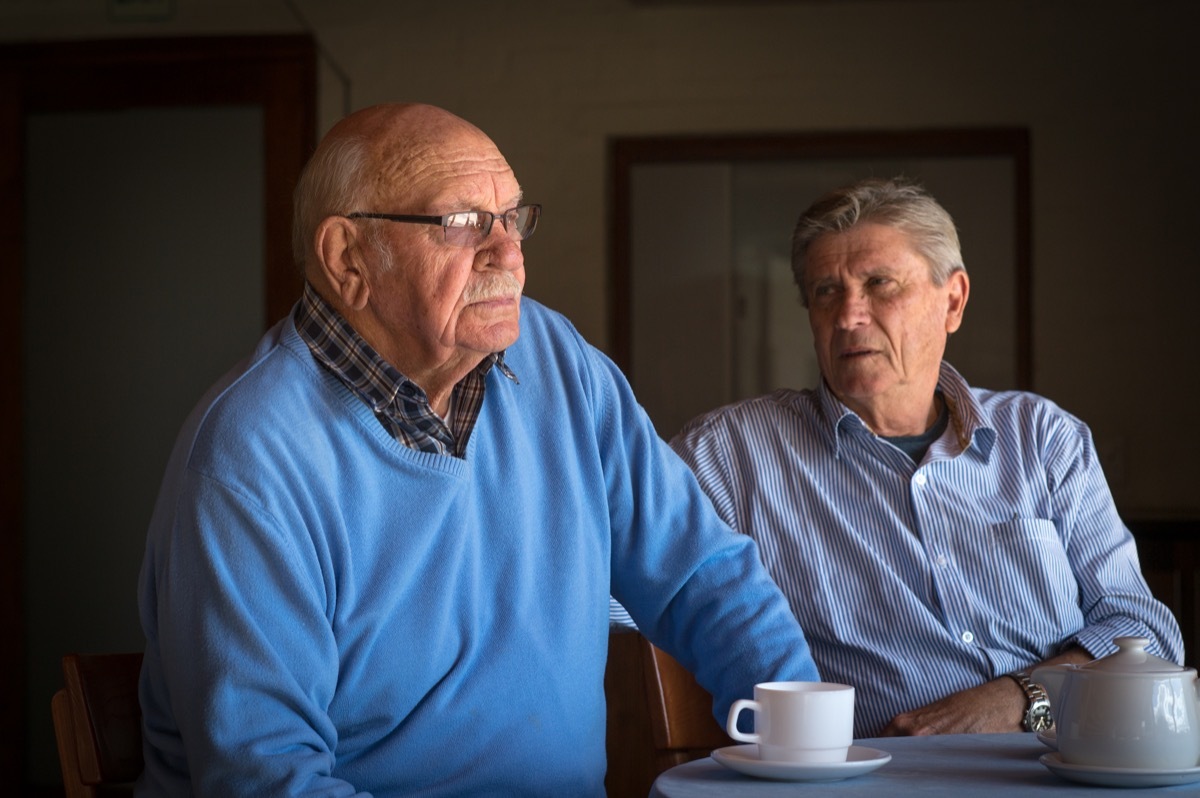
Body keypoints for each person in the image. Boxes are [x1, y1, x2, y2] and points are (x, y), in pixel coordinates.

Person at [135, 103, 818, 798]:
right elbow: (268, 777)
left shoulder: (558, 362)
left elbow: (701, 574)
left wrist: (806, 759)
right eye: (461, 224)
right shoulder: (249, 456)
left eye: (512, 219)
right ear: (348, 260)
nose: (509, 254)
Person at [668, 176, 1183, 739]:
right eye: (825, 292)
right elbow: (613, 583)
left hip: (1070, 770)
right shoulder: (731, 453)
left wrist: (1018, 698)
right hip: (885, 779)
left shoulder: (1043, 438)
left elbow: (1145, 631)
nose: (847, 317)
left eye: (879, 284)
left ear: (953, 300)